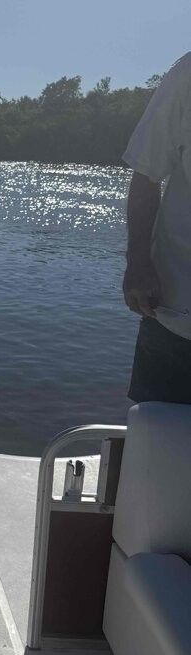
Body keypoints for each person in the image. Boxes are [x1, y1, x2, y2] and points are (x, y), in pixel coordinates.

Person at [122, 52, 191, 403]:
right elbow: (146, 173)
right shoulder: (188, 73)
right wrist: (137, 262)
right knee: (154, 443)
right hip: (175, 315)